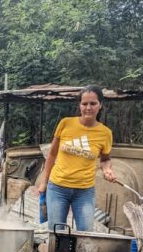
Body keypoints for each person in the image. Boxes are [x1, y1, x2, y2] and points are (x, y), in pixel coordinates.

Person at [37, 85, 117, 232]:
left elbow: (105, 159)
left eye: (93, 103)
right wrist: (43, 183)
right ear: (79, 105)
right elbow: (52, 155)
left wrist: (107, 170)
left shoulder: (105, 133)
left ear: (100, 105)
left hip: (84, 191)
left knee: (86, 233)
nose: (88, 107)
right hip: (57, 188)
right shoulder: (66, 123)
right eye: (84, 103)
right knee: (57, 233)